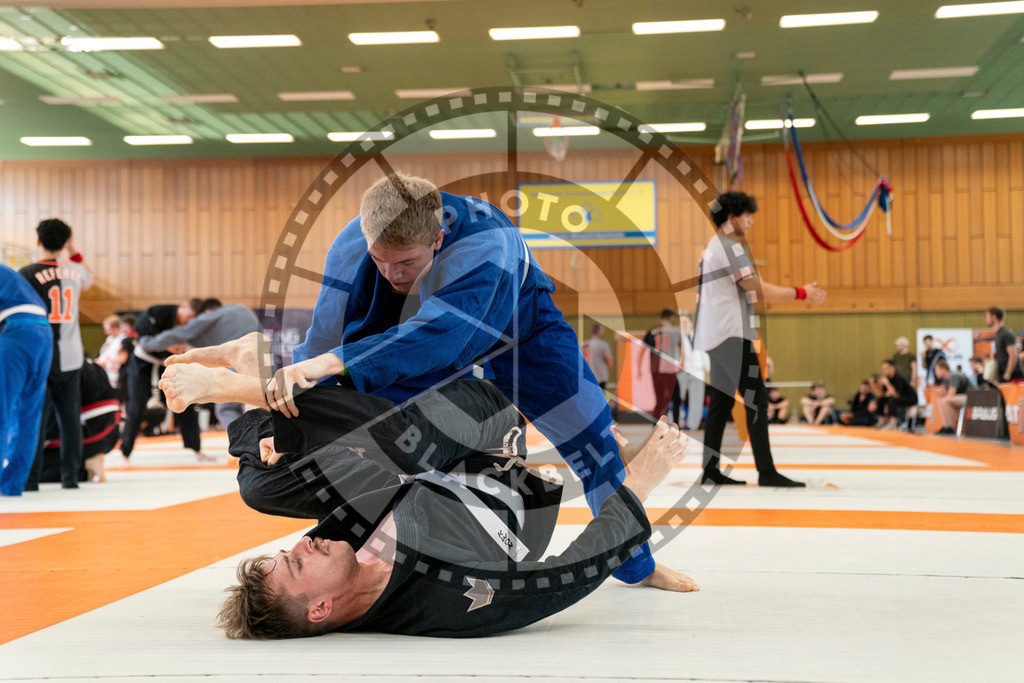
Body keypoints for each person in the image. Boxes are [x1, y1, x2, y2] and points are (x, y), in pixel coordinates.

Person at [260, 172, 685, 589]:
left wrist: (336, 361)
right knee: (360, 435)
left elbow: (442, 337)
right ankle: (331, 571)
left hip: (520, 333)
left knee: (593, 437)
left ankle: (635, 564)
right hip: (411, 338)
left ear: (438, 238)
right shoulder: (352, 244)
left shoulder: (487, 241)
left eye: (407, 261)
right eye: (379, 260)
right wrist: (294, 425)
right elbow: (323, 338)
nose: (392, 274)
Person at [155, 339, 695, 639]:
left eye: (288, 552)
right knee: (401, 444)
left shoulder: (340, 549)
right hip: (491, 441)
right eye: (297, 565)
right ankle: (254, 384)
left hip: (415, 458)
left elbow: (352, 470)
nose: (301, 545)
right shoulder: (443, 601)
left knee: (259, 488)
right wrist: (640, 482)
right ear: (319, 609)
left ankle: (257, 392)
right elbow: (562, 580)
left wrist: (278, 439)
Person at [692, 191, 825, 487]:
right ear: (731, 217)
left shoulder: (712, 248)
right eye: (747, 215)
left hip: (716, 334)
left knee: (722, 404)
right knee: (756, 399)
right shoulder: (729, 248)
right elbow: (756, 288)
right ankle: (766, 471)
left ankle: (710, 470)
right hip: (730, 335)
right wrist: (800, 292)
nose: (751, 221)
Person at [19, 219, 92, 490]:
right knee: (70, 419)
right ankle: (71, 478)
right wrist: (71, 249)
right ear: (64, 242)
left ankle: (31, 480)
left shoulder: (26, 273)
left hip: (39, 355)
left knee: (35, 418)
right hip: (72, 356)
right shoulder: (75, 270)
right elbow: (88, 278)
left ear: (38, 241)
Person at [138, 298, 258, 428]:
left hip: (242, 362)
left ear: (206, 312)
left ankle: (248, 445)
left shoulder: (208, 318)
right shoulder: (242, 308)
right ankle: (266, 440)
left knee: (226, 409)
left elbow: (180, 333)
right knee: (261, 403)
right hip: (265, 361)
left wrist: (146, 342)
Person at [120, 299, 207, 462]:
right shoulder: (159, 312)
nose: (190, 321)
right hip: (141, 364)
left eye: (194, 318)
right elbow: (142, 337)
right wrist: (166, 345)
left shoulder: (193, 326)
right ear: (183, 306)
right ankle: (125, 452)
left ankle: (196, 449)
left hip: (168, 364)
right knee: (136, 407)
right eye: (190, 316)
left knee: (185, 402)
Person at [0, 264, 53, 496]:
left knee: (2, 412)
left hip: (16, 330)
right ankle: (12, 485)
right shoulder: (7, 273)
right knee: (29, 414)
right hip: (43, 333)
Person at [643, 309, 683, 423]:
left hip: (655, 369)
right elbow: (681, 348)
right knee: (676, 399)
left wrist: (639, 369)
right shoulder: (676, 331)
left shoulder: (652, 331)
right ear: (670, 317)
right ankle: (676, 425)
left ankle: (655, 427)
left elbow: (643, 349)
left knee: (659, 400)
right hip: (669, 369)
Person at [677, 314, 706, 430]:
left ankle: (692, 425)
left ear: (691, 324)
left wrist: (707, 367)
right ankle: (677, 422)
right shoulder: (677, 337)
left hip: (697, 371)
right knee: (678, 398)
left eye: (685, 322)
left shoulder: (699, 337)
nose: (682, 325)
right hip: (682, 371)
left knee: (697, 400)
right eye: (680, 323)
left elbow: (704, 354)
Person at [875, 359, 918, 430]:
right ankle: (881, 421)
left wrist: (887, 384)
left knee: (892, 400)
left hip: (910, 398)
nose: (884, 371)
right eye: (883, 369)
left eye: (886, 369)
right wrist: (878, 386)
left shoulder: (899, 378)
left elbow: (896, 395)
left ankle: (893, 423)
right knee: (881, 400)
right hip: (899, 397)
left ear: (892, 368)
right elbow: (883, 395)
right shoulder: (887, 378)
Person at [932, 358, 970, 436]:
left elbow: (951, 394)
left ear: (943, 369)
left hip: (972, 397)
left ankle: (950, 427)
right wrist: (934, 389)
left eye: (936, 370)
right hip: (962, 396)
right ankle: (946, 426)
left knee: (945, 401)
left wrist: (942, 394)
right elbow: (946, 393)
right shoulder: (946, 379)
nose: (935, 373)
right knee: (941, 401)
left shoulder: (953, 376)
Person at [985, 306, 1023, 383]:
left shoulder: (1005, 334)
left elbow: (1013, 355)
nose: (985, 319)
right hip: (1003, 373)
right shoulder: (998, 334)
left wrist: (1008, 372)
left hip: (1013, 374)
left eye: (987, 316)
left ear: (994, 317)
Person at [95, 314, 125, 388]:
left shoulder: (122, 339)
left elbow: (122, 358)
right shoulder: (110, 338)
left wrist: (107, 362)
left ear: (115, 328)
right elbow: (105, 353)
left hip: (114, 372)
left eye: (107, 328)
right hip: (105, 370)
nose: (105, 331)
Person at [581, 323, 613, 391]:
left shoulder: (585, 344)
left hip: (589, 377)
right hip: (601, 376)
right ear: (600, 331)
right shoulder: (603, 345)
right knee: (600, 399)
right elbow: (609, 362)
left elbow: (583, 361)